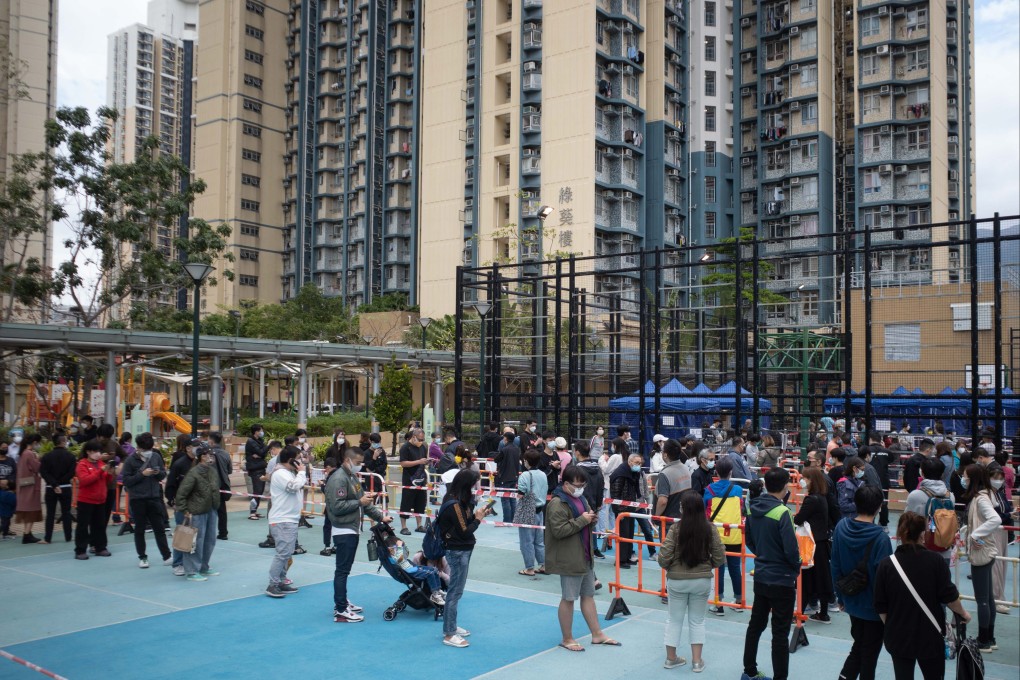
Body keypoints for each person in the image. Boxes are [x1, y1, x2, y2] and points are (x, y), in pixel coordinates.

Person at [873, 512, 971, 679]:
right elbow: (949, 596)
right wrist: (963, 614)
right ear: (922, 534)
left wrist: (891, 624)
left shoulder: (886, 565)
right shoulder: (936, 561)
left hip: (899, 635)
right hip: (930, 635)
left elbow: (880, 605)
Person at [545, 465, 620, 652]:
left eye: (583, 485)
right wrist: (583, 520)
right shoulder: (557, 503)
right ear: (566, 483)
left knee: (588, 595)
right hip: (570, 558)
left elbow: (584, 518)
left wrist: (591, 519)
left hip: (584, 556)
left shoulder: (581, 498)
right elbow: (559, 530)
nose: (580, 488)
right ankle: (567, 638)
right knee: (569, 598)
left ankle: (597, 634)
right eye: (577, 485)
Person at [741, 468, 801, 680]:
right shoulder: (783, 512)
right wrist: (796, 567)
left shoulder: (752, 508)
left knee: (755, 625)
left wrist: (763, 554)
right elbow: (791, 549)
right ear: (786, 486)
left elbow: (749, 540)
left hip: (762, 575)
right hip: (782, 579)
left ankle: (749, 671)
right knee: (780, 633)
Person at [830, 485, 893, 680]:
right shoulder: (881, 538)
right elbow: (885, 580)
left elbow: (835, 565)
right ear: (879, 507)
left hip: (851, 599)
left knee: (859, 646)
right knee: (869, 654)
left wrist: (840, 596)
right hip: (874, 608)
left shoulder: (841, 527)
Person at [659, 489, 725, 671]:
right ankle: (697, 662)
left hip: (677, 580)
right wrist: (708, 565)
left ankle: (671, 659)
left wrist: (671, 567)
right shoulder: (710, 529)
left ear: (683, 509)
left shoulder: (675, 529)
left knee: (673, 620)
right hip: (702, 579)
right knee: (697, 620)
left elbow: (663, 557)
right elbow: (720, 557)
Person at [325, 447, 391, 622]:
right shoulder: (339, 478)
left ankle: (342, 602)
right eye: (358, 463)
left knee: (344, 570)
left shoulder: (351, 477)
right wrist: (358, 502)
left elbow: (365, 503)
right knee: (342, 570)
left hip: (351, 528)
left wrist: (381, 517)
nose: (360, 466)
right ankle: (340, 609)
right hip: (343, 529)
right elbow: (337, 507)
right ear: (347, 460)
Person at [437, 468, 490, 647]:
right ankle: (449, 633)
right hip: (457, 550)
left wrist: (477, 515)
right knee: (454, 592)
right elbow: (465, 531)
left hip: (462, 549)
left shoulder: (461, 501)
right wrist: (478, 519)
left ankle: (450, 626)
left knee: (456, 591)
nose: (477, 486)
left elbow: (464, 525)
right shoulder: (454, 504)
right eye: (475, 482)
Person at [961, 463, 1003, 651]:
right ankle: (989, 637)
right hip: (986, 550)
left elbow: (995, 519)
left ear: (972, 478)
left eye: (965, 476)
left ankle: (983, 639)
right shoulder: (985, 495)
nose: (963, 478)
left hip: (982, 552)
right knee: (988, 599)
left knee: (983, 600)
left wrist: (976, 535)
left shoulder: (980, 498)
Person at [118, 432, 172, 568]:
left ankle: (166, 555)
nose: (148, 452)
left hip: (154, 498)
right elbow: (127, 481)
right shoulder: (130, 460)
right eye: (145, 449)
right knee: (140, 529)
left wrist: (157, 473)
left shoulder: (156, 456)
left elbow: (163, 474)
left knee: (159, 528)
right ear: (139, 447)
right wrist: (142, 474)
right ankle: (142, 557)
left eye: (150, 449)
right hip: (138, 499)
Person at [265, 446, 308, 598]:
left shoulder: (288, 473)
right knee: (283, 552)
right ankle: (273, 584)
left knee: (287, 552)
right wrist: (302, 472)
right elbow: (293, 487)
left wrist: (300, 473)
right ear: (291, 459)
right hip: (282, 519)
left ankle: (281, 580)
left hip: (289, 518)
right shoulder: (281, 473)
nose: (300, 460)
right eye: (298, 457)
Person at [704, 456, 745, 615]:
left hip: (715, 534)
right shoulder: (738, 490)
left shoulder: (709, 490)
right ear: (730, 472)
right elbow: (740, 509)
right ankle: (739, 601)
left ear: (716, 471)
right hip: (734, 533)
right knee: (735, 567)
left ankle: (718, 603)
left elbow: (705, 511)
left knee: (718, 568)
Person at [793, 466, 835, 623]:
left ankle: (800, 614)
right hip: (822, 544)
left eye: (805, 478)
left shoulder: (811, 500)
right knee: (822, 579)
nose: (802, 480)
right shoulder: (822, 497)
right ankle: (823, 613)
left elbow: (798, 519)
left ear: (812, 480)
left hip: (811, 545)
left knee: (805, 580)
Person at [174, 446, 222, 582]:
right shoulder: (193, 473)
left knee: (209, 540)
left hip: (211, 509)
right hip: (196, 511)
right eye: (208, 455)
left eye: (212, 455)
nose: (211, 457)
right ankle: (191, 570)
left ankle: (204, 566)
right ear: (201, 457)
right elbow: (182, 493)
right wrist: (185, 510)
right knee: (195, 542)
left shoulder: (212, 471)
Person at [904, 457, 955, 564]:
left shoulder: (915, 495)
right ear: (942, 474)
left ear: (922, 472)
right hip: (944, 546)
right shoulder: (950, 496)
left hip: (920, 550)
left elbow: (906, 522)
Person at [74, 441, 115, 559]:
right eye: (95, 451)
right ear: (88, 452)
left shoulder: (100, 463)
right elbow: (85, 480)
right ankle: (80, 550)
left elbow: (106, 479)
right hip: (86, 500)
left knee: (99, 525)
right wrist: (101, 470)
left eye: (99, 451)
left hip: (100, 500)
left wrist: (110, 472)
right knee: (83, 526)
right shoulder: (82, 464)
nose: (98, 454)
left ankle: (100, 547)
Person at [385, 535, 446, 605]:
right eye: (395, 548)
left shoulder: (396, 553)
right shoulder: (392, 556)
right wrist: (398, 546)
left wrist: (402, 547)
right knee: (430, 573)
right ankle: (434, 594)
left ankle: (437, 589)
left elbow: (405, 555)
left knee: (434, 570)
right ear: (391, 549)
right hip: (409, 572)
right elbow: (399, 559)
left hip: (411, 568)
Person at [610, 453, 645, 568]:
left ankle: (627, 557)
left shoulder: (633, 473)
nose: (638, 465)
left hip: (630, 507)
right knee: (623, 535)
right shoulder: (620, 474)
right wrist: (619, 511)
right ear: (629, 462)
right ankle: (620, 560)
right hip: (621, 509)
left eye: (640, 463)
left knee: (629, 534)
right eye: (636, 463)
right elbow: (615, 494)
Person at [516, 448, 548, 576]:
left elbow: (521, 494)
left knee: (526, 541)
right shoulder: (543, 474)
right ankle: (543, 565)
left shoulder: (524, 475)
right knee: (539, 540)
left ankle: (529, 568)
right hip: (540, 510)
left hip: (527, 509)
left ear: (526, 461)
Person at [40, 434, 76, 544]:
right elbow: (71, 472)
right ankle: (68, 536)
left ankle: (47, 538)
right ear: (63, 442)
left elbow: (43, 472)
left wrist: (54, 484)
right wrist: (61, 483)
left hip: (51, 488)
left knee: (50, 513)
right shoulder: (70, 456)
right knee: (66, 512)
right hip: (65, 487)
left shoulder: (46, 456)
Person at [572, 441, 605, 559]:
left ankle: (583, 550)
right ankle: (594, 549)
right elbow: (601, 485)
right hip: (595, 502)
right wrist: (599, 502)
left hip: (581, 502)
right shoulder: (597, 468)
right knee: (592, 525)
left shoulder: (577, 470)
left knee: (580, 525)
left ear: (577, 452)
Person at [398, 428, 429, 535]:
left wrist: (427, 461)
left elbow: (424, 460)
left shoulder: (423, 447)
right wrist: (418, 462)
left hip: (421, 478)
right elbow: (403, 463)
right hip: (409, 479)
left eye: (423, 439)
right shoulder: (405, 447)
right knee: (406, 502)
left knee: (421, 502)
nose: (421, 441)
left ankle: (419, 525)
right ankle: (404, 526)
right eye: (420, 439)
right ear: (413, 437)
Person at [15, 433, 43, 543]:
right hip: (31, 486)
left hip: (24, 485)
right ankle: (27, 534)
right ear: (35, 442)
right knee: (32, 510)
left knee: (26, 510)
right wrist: (39, 459)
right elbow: (37, 467)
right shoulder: (30, 454)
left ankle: (27, 532)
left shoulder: (22, 453)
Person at [205, 431, 233, 540]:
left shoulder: (207, 454)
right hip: (223, 485)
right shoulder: (225, 453)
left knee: (207, 509)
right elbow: (229, 470)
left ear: (211, 441)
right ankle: (223, 532)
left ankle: (208, 532)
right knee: (222, 510)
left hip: (210, 485)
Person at [655, 438, 692, 519]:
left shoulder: (665, 474)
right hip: (684, 518)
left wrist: (656, 516)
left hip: (668, 521)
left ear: (665, 454)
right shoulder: (686, 468)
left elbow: (662, 501)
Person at [863, 431, 892, 527]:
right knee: (883, 503)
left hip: (869, 480)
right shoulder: (887, 451)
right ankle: (884, 524)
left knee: (869, 502)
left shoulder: (866, 450)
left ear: (870, 439)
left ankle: (870, 523)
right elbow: (891, 459)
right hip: (883, 481)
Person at [493, 430, 521, 519]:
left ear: (506, 439)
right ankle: (513, 518)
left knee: (505, 499)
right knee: (512, 498)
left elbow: (496, 459)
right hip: (514, 476)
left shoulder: (504, 449)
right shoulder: (517, 449)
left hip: (505, 476)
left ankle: (507, 519)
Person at [245, 424, 269, 519]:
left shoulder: (259, 441)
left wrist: (261, 454)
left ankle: (255, 510)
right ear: (256, 431)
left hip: (260, 467)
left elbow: (262, 454)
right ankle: (252, 512)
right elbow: (262, 452)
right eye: (260, 430)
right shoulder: (251, 441)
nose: (262, 432)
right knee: (257, 490)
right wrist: (267, 446)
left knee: (260, 490)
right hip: (255, 469)